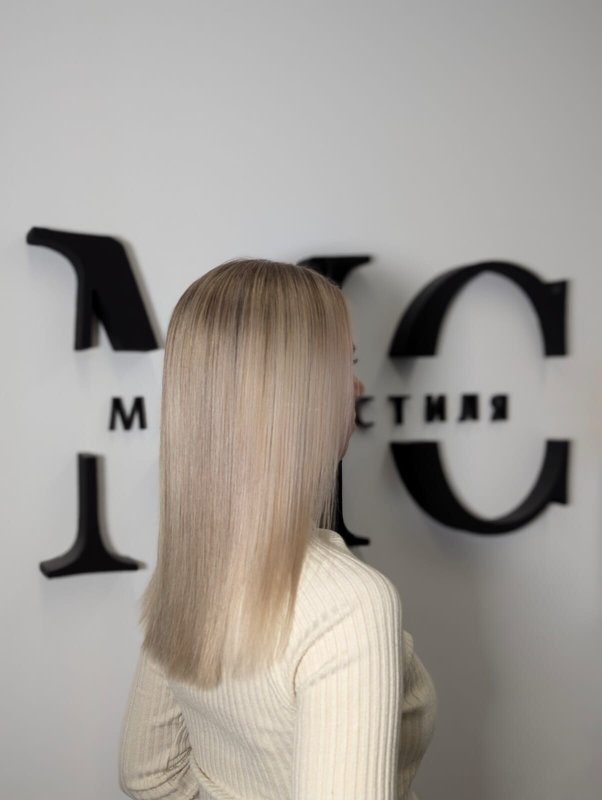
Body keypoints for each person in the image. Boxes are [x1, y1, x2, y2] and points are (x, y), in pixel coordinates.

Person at [118, 258, 437, 799]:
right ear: (295, 395)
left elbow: (149, 774)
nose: (357, 386)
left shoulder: (192, 567)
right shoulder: (350, 604)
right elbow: (149, 774)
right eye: (346, 364)